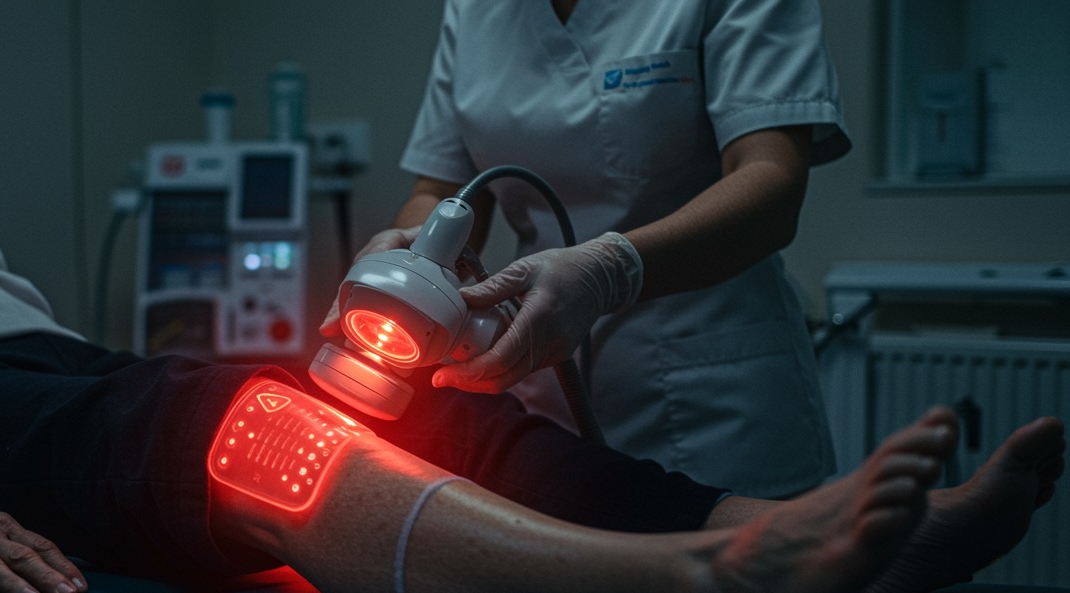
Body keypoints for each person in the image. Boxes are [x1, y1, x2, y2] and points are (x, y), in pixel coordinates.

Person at [0, 0, 1063, 593]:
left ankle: (823, 544)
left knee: (394, 406)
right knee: (245, 434)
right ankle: (701, 592)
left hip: (39, 368)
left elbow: (765, 181)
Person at [348, 0, 852, 499]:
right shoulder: (475, 8)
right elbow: (439, 191)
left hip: (711, 403)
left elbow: (770, 183)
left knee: (729, 559)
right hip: (546, 389)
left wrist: (611, 271)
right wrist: (416, 257)